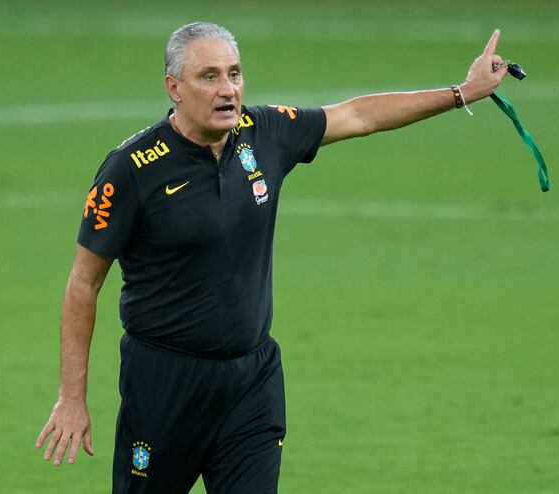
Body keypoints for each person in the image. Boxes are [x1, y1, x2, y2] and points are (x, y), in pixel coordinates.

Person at [36, 21, 508, 494]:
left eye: (235, 74)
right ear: (173, 88)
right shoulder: (130, 170)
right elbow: (84, 283)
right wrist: (71, 397)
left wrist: (462, 92)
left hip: (251, 382)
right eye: (210, 76)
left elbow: (358, 116)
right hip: (165, 386)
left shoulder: (265, 132)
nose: (229, 90)